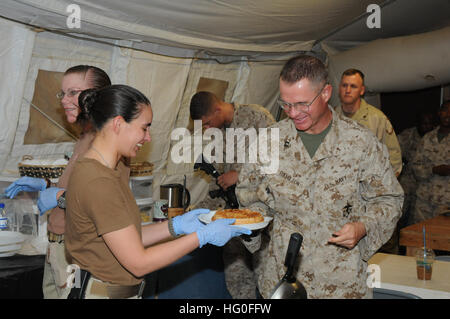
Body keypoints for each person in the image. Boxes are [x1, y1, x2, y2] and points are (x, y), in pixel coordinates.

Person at [236, 55, 403, 299]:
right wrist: (249, 229)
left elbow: (389, 199)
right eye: (286, 104)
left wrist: (363, 227)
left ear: (325, 93)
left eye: (303, 104)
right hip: (281, 282)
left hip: (340, 285)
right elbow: (249, 197)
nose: (293, 113)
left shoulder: (360, 142)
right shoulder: (268, 141)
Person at [64, 84, 250, 299]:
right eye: (144, 128)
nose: (148, 138)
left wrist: (176, 226)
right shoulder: (98, 181)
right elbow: (138, 263)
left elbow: (127, 237)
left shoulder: (105, 171)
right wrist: (201, 237)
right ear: (118, 124)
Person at [5, 65, 111, 298]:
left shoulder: (108, 142)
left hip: (81, 252)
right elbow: (78, 189)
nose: (64, 100)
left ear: (97, 96)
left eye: (73, 92)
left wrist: (60, 198)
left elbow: (106, 202)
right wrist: (47, 185)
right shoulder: (85, 136)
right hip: (59, 248)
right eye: (62, 93)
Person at [190, 91, 275, 299]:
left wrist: (241, 175)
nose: (207, 129)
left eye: (208, 123)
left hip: (261, 221)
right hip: (233, 222)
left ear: (218, 109)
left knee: (269, 281)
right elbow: (218, 182)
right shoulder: (218, 134)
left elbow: (281, 160)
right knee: (237, 281)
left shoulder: (257, 117)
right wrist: (196, 212)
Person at [335, 69, 402, 177]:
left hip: (368, 187)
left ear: (362, 90)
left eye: (353, 86)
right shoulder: (330, 118)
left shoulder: (377, 119)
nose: (347, 90)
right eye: (344, 85)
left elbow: (394, 156)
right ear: (339, 88)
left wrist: (384, 189)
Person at [410, 100, 450, 224]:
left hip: (446, 204)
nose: (448, 114)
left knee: (441, 240)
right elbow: (415, 167)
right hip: (424, 200)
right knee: (419, 239)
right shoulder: (428, 138)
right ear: (439, 113)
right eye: (445, 110)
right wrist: (433, 170)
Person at [397, 111, 437, 227]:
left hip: (428, 183)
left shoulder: (433, 137)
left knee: (417, 219)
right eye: (424, 123)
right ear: (418, 123)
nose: (427, 126)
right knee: (400, 215)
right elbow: (394, 153)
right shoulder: (408, 135)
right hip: (408, 180)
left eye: (430, 123)